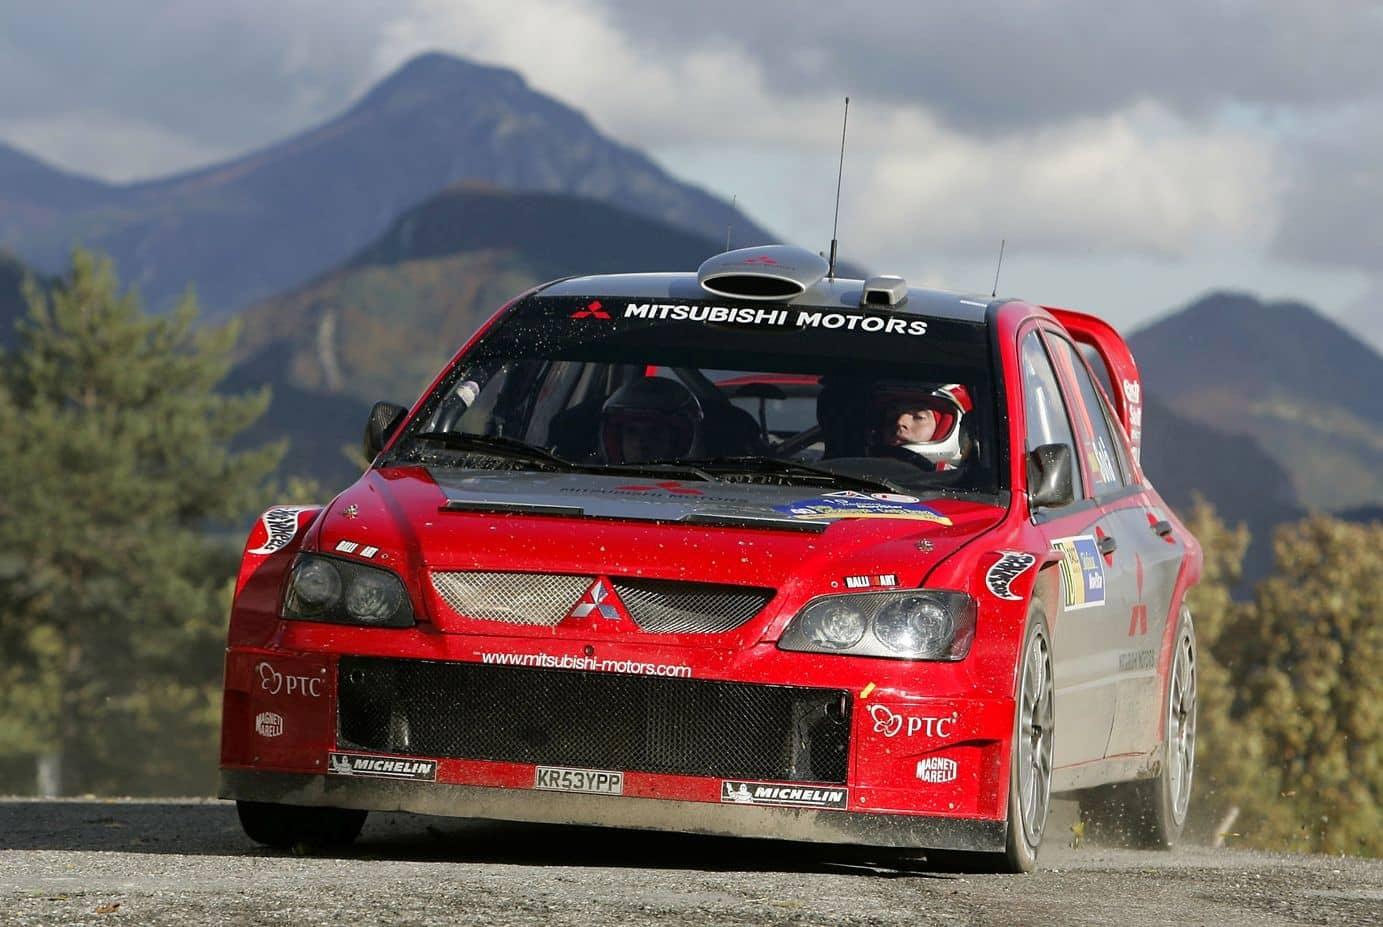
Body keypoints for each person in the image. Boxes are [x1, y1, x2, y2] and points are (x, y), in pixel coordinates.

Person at [598, 376, 703, 464]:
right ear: (617, 440)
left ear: (676, 441)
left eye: (654, 432)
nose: (641, 442)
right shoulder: (592, 480)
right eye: (632, 432)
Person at [869, 383, 972, 470]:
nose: (900, 422)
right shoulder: (862, 472)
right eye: (893, 417)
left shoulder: (967, 486)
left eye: (918, 417)